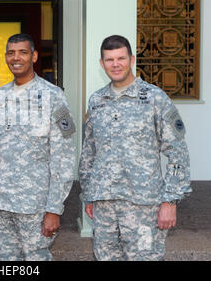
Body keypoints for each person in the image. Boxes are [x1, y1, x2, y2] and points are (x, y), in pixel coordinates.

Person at [78, 35, 192, 261]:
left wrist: (170, 201)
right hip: (104, 205)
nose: (115, 64)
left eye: (121, 58)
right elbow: (89, 153)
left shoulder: (154, 98)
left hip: (143, 206)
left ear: (131, 59)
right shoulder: (96, 101)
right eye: (109, 59)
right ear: (102, 64)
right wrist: (89, 195)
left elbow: (178, 152)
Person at [0, 33, 76, 261]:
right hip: (0, 203)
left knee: (36, 259)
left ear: (34, 56)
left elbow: (64, 156)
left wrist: (54, 208)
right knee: (7, 259)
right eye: (11, 53)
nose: (16, 58)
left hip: (34, 205)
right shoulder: (0, 95)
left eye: (23, 52)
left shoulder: (54, 96)